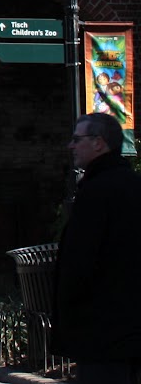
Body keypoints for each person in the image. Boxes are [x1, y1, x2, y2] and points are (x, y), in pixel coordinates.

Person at [52, 112, 141, 383]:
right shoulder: (133, 185)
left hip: (102, 327)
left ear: (98, 143)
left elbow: (79, 262)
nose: (71, 146)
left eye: (77, 140)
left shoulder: (96, 192)